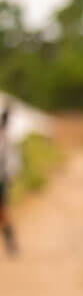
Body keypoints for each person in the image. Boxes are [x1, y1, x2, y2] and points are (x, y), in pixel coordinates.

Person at [0, 101, 19, 256]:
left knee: (3, 212)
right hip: (3, 179)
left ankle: (10, 243)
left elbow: (12, 163)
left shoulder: (5, 140)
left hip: (1, 180)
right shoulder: (6, 139)